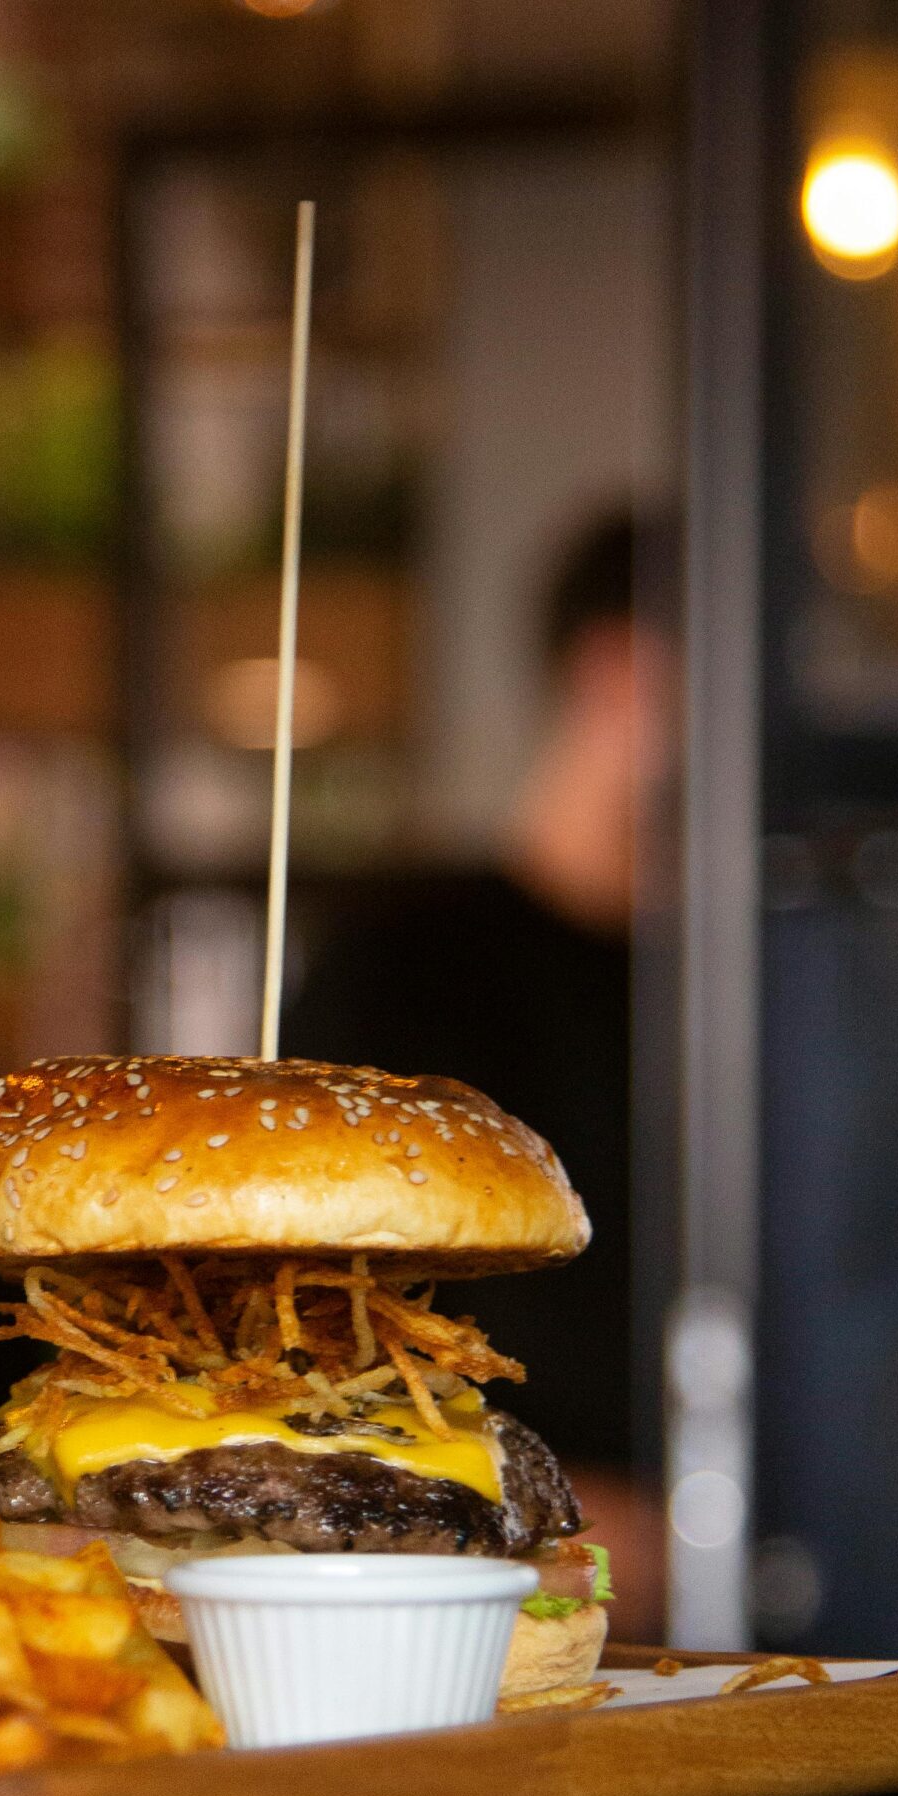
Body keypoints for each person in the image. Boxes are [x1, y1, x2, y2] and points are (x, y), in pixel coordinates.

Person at [287, 507, 675, 1623]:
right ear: (618, 671)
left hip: (798, 1615)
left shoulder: (776, 983)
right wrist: (551, 1509)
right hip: (467, 1608)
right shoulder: (401, 962)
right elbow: (298, 1327)